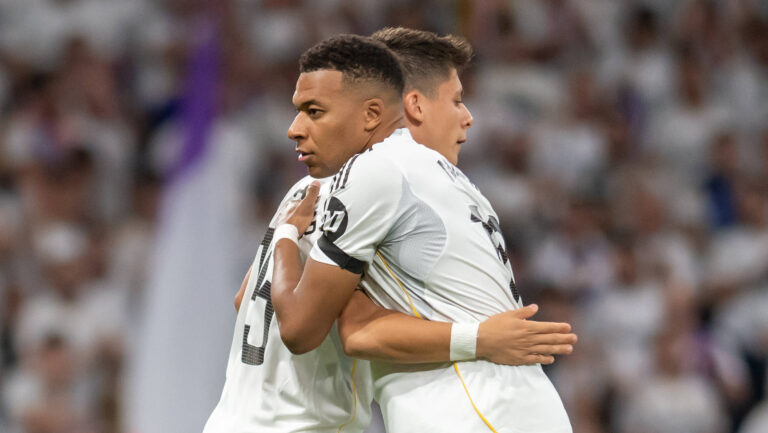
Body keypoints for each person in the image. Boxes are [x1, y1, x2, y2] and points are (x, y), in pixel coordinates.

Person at [205, 33, 575, 433]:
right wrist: (479, 338)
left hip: (476, 408)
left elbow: (296, 314)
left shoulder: (333, 185)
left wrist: (283, 238)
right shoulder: (451, 187)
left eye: (315, 111)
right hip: (501, 406)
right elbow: (343, 328)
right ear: (411, 103)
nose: (468, 116)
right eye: (456, 100)